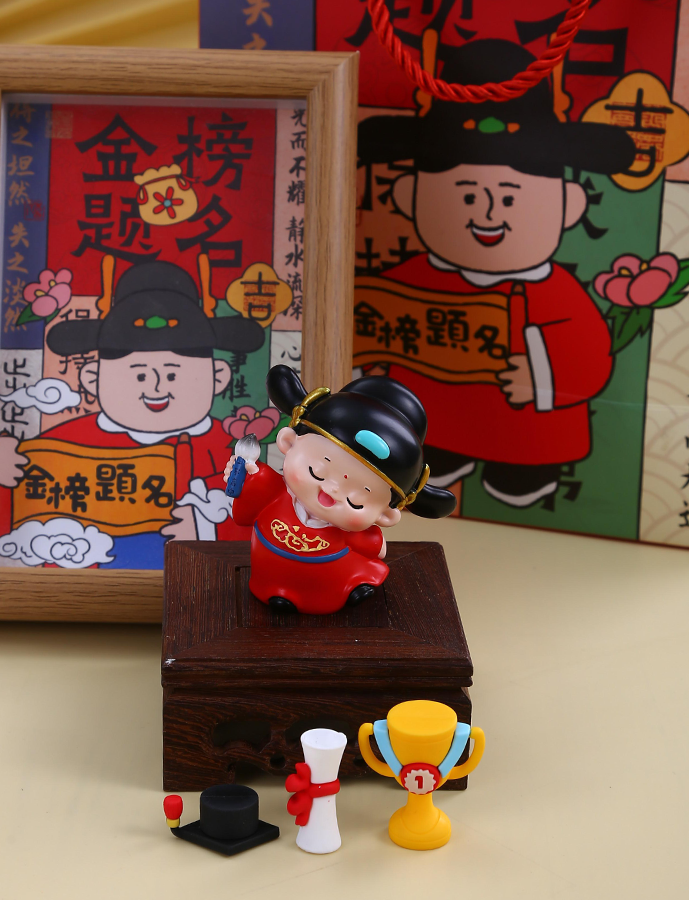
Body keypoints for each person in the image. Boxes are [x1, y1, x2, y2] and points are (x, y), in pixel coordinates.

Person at [357, 39, 637, 508]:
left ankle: (526, 467)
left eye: (509, 197)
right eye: (467, 195)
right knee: (429, 444)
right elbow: (373, 318)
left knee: (522, 470)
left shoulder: (556, 293)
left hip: (527, 425)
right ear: (408, 197)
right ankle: (439, 452)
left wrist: (539, 370)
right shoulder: (408, 279)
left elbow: (590, 356)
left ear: (570, 206)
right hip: (436, 414)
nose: (488, 213)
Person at [0, 259, 264, 568]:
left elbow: (258, 515)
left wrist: (206, 531)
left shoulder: (225, 450)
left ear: (219, 376)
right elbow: (19, 510)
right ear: (92, 378)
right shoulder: (66, 441)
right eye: (140, 375)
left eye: (172, 374)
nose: (157, 387)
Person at [225, 365, 456, 615]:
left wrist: (373, 543)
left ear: (385, 515)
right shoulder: (275, 492)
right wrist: (243, 475)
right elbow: (250, 497)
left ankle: (348, 587)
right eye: (317, 471)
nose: (332, 490)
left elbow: (375, 547)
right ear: (289, 442)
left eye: (357, 501)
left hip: (329, 580)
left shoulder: (350, 532)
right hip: (271, 569)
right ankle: (277, 591)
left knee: (336, 582)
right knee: (273, 587)